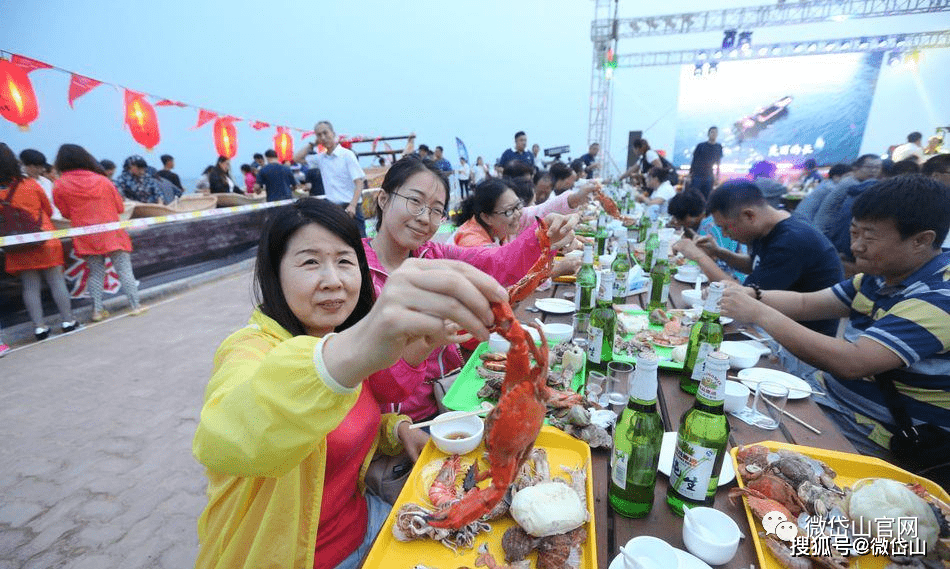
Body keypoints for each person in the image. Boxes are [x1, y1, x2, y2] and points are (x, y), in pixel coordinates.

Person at [192, 197, 506, 569]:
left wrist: (396, 427)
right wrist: (360, 343)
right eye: (310, 262)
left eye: (345, 261)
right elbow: (227, 437)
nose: (334, 280)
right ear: (274, 273)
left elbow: (349, 417)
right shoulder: (248, 350)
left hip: (367, 522)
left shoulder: (336, 334)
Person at [719, 175, 950, 480]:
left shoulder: (939, 298)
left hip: (874, 432)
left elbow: (852, 361)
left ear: (921, 239)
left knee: (741, 452)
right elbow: (805, 303)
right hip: (829, 395)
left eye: (870, 237)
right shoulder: (880, 275)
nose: (856, 246)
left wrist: (758, 311)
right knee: (719, 381)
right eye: (854, 232)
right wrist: (755, 294)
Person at [363, 156, 574, 421]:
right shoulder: (352, 268)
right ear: (383, 199)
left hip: (447, 403)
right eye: (415, 201)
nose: (423, 218)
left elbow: (496, 264)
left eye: (436, 210)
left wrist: (541, 236)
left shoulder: (435, 254)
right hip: (386, 423)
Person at [673, 179, 843, 336]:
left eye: (726, 227)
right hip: (773, 323)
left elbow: (741, 296)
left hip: (797, 341)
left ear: (749, 216)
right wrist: (718, 252)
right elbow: (756, 265)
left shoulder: (791, 241)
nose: (725, 234)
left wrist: (699, 256)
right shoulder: (773, 225)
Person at [52, 144, 143, 322]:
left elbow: (64, 213)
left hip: (86, 235)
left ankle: (97, 311)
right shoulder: (103, 180)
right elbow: (119, 206)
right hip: (111, 231)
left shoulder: (59, 184)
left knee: (95, 273)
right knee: (124, 270)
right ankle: (135, 306)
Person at [0, 143, 76, 341]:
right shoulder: (31, 185)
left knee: (30, 287)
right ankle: (68, 321)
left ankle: (39, 328)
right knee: (56, 281)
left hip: (16, 245)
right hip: (44, 240)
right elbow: (49, 211)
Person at [295, 121, 367, 237]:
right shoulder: (321, 158)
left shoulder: (347, 155)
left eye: (325, 133)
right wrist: (312, 144)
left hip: (351, 209)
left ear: (333, 133)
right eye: (319, 135)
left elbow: (359, 182)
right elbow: (297, 158)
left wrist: (352, 206)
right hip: (332, 208)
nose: (323, 137)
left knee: (362, 244)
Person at [667, 190, 745, 279]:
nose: (677, 222)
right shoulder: (709, 220)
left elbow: (716, 261)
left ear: (689, 215)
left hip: (730, 278)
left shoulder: (708, 225)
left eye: (678, 218)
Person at [813, 154, 882, 241]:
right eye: (869, 167)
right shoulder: (853, 185)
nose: (874, 170)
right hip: (826, 232)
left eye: (878, 167)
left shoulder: (851, 180)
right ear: (856, 168)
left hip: (823, 229)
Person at [19, 149, 62, 220]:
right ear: (26, 166)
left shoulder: (46, 182)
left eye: (41, 166)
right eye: (36, 167)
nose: (41, 170)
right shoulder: (20, 182)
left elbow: (54, 203)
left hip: (54, 219)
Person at [688, 127, 722, 198]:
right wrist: (690, 174)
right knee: (695, 195)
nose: (713, 134)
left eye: (715, 132)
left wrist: (717, 176)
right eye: (712, 132)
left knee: (707, 196)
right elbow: (694, 161)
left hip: (709, 175)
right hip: (697, 175)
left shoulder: (718, 147)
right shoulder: (701, 146)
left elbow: (718, 162)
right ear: (708, 134)